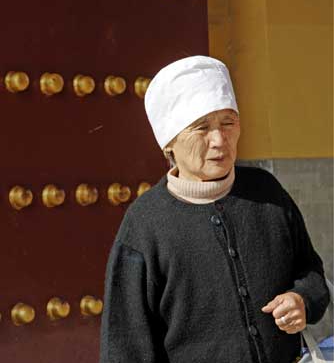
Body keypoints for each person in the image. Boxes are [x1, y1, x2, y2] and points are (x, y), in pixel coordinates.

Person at [99, 55, 330, 363]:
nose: (220, 140)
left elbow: (311, 273)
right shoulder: (145, 225)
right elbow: (126, 348)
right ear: (169, 142)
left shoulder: (266, 193)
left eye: (228, 123)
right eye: (202, 128)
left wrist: (303, 300)